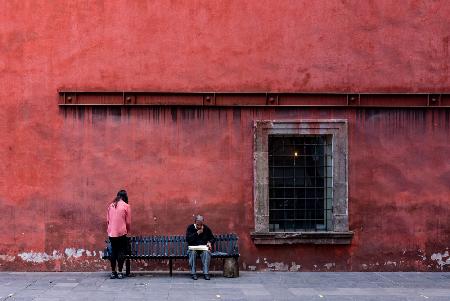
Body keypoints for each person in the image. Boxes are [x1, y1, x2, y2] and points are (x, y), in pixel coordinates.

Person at [107, 190, 131, 279]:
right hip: (121, 232)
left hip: (112, 232)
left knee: (113, 251)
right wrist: (127, 231)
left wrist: (110, 230)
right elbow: (128, 222)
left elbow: (108, 220)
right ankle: (120, 273)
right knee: (121, 251)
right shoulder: (126, 206)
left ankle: (113, 272)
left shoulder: (111, 205)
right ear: (125, 197)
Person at [186, 215, 215, 280]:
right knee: (192, 253)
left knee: (206, 252)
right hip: (193, 248)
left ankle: (206, 273)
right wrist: (197, 233)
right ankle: (193, 273)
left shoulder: (206, 228)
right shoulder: (190, 228)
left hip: (203, 248)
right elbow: (188, 239)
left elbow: (212, 238)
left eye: (201, 224)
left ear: (202, 223)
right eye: (198, 224)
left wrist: (210, 242)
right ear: (195, 222)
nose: (199, 226)